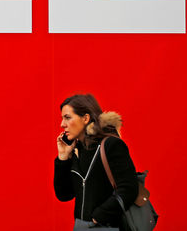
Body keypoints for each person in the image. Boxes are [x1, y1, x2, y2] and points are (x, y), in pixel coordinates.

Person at [54, 94, 139, 230]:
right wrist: (63, 158)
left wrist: (98, 217)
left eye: (68, 117)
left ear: (85, 118)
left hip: (106, 226)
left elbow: (129, 188)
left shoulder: (111, 145)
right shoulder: (77, 150)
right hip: (80, 226)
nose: (62, 124)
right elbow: (64, 194)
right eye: (62, 118)